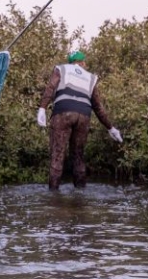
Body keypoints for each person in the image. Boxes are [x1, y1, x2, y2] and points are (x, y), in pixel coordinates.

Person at [36, 50, 123, 190]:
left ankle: (52, 195)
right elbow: (98, 107)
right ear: (82, 63)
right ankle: (81, 194)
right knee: (78, 156)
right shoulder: (90, 77)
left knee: (57, 154)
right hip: (84, 115)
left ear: (71, 62)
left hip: (63, 112)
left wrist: (42, 108)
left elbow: (50, 87)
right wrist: (110, 128)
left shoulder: (62, 68)